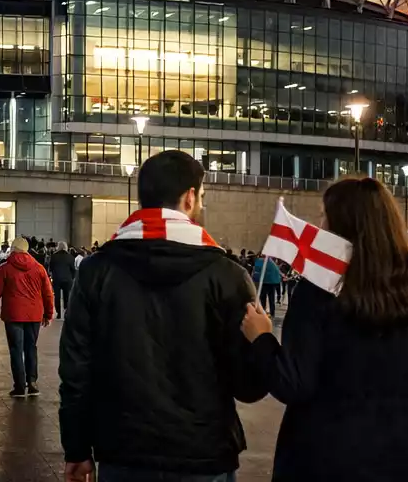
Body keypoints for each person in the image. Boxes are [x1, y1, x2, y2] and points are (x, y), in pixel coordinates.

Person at [240, 176, 408, 481]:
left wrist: (261, 338)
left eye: (325, 217)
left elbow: (294, 384)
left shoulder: (316, 295)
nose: (321, 226)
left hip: (322, 460)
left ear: (342, 227)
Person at [59, 150, 264, 482]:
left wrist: (77, 447)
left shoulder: (96, 270)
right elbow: (248, 385)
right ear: (189, 197)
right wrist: (262, 342)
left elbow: (76, 370)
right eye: (202, 197)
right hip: (204, 452)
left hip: (122, 449)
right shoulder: (227, 275)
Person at [0, 237, 54, 398]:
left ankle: (19, 386)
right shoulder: (39, 268)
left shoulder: (5, 268)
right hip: (34, 315)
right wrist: (48, 314)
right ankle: (32, 383)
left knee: (16, 350)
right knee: (31, 348)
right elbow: (48, 293)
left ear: (13, 249)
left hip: (13, 315)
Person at [47, 241, 76, 319]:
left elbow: (50, 268)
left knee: (57, 296)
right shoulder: (70, 257)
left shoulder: (53, 256)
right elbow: (73, 269)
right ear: (66, 247)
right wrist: (72, 277)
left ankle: (59, 313)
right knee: (67, 296)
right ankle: (66, 311)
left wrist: (53, 275)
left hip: (57, 279)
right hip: (67, 279)